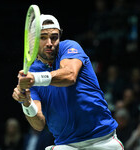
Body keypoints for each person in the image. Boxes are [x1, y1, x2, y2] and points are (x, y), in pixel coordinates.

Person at [12, 14, 124, 150]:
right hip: (66, 145)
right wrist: (26, 103)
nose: (49, 43)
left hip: (102, 140)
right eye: (43, 37)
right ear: (32, 40)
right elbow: (39, 124)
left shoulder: (69, 47)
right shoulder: (32, 72)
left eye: (54, 37)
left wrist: (35, 79)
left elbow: (70, 75)